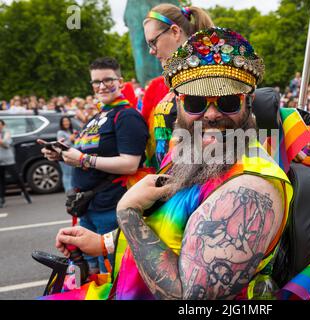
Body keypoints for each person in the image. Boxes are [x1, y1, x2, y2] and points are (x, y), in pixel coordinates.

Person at [52, 27, 293, 300]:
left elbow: (189, 298)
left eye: (227, 102)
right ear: (178, 105)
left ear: (248, 103)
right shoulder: (188, 153)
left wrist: (128, 212)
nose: (211, 115)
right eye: (194, 103)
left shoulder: (251, 188)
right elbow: (168, 225)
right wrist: (103, 242)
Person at [40, 57, 149, 275]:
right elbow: (87, 154)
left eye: (108, 80)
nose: (101, 86)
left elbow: (130, 164)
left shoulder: (127, 116)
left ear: (120, 81)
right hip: (88, 207)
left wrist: (81, 159)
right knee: (90, 275)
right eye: (96, 82)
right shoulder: (98, 116)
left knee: (113, 276)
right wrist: (61, 155)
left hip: (112, 208)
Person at [141, 3, 214, 169]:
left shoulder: (209, 77)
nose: (151, 51)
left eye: (153, 42)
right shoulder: (176, 82)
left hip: (197, 188)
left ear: (175, 32)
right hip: (171, 186)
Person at [0, 120, 32, 208]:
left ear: (3, 125)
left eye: (0, 125)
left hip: (8, 160)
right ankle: (2, 199)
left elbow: (6, 144)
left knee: (17, 179)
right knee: (1, 181)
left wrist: (1, 141)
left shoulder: (7, 133)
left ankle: (26, 195)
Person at [57, 116, 77, 192]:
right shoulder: (60, 132)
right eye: (64, 121)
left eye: (67, 121)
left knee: (73, 173)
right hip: (65, 155)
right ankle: (68, 191)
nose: (66, 123)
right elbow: (61, 145)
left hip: (74, 155)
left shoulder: (73, 131)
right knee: (67, 174)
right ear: (61, 123)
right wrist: (70, 139)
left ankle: (74, 190)